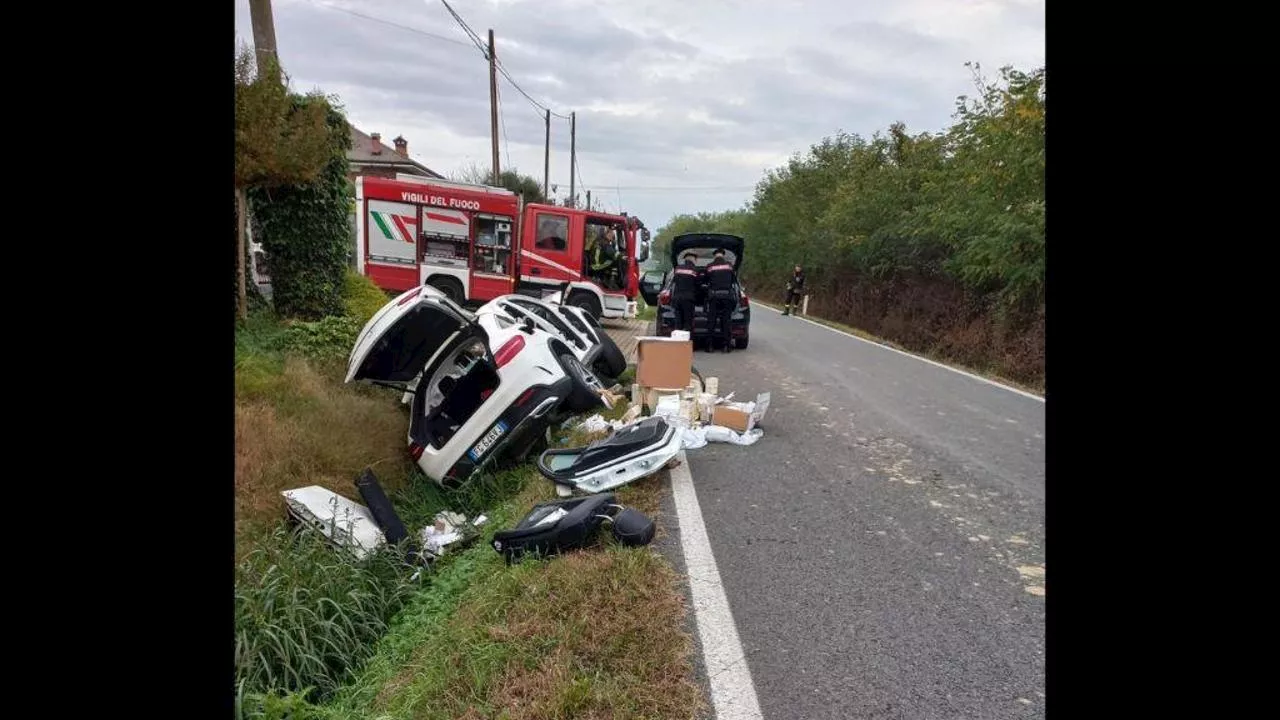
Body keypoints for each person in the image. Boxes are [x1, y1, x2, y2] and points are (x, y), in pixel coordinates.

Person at [705, 247, 739, 352]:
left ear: (714, 255)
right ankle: (726, 346)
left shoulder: (709, 266)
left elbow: (706, 281)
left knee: (712, 321)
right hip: (727, 297)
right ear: (723, 255)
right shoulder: (729, 266)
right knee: (726, 321)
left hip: (714, 297)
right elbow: (733, 281)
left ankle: (710, 346)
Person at [671, 251, 700, 333]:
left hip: (677, 298)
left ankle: (678, 342)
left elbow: (674, 281)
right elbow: (698, 285)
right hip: (688, 299)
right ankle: (687, 341)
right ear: (693, 259)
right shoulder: (694, 270)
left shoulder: (678, 269)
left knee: (678, 321)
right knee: (688, 322)